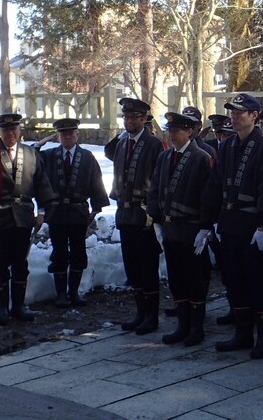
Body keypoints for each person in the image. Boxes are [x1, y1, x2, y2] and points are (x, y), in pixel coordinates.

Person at [205, 93, 263, 359]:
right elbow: (216, 184)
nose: (234, 118)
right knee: (234, 280)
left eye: (240, 113)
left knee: (257, 282)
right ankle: (242, 332)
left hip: (252, 224)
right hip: (229, 222)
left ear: (254, 116)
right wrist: (211, 220)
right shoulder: (227, 145)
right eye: (232, 113)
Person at [147, 112, 216, 347]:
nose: (173, 135)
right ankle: (182, 325)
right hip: (170, 227)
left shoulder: (201, 158)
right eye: (170, 130)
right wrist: (156, 219)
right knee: (176, 279)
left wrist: (205, 227)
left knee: (194, 278)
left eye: (177, 131)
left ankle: (196, 328)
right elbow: (155, 188)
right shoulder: (165, 156)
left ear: (189, 132)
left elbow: (208, 196)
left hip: (191, 227)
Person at [107, 98, 166, 334]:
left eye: (134, 117)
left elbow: (160, 182)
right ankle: (140, 312)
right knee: (132, 267)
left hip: (144, 214)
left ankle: (152, 315)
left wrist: (154, 212)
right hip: (125, 212)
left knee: (147, 266)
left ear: (144, 119)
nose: (129, 121)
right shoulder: (122, 144)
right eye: (126, 117)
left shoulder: (154, 145)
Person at [0, 113, 55, 325]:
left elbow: (42, 185)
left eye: (14, 130)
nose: (10, 134)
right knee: (1, 262)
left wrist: (42, 212)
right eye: (6, 130)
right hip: (0, 215)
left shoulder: (30, 154)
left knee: (20, 262)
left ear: (20, 131)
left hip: (24, 215)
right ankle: (2, 308)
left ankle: (18, 306)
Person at [43, 118, 109, 308]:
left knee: (78, 252)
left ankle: (74, 292)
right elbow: (31, 159)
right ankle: (61, 294)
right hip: (56, 212)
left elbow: (97, 182)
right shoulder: (48, 156)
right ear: (58, 136)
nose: (68, 137)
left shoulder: (87, 156)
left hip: (79, 212)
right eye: (63, 134)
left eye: (71, 133)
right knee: (59, 252)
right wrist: (41, 143)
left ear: (77, 135)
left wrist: (95, 209)